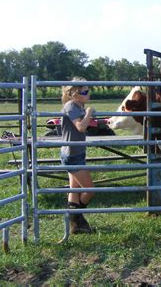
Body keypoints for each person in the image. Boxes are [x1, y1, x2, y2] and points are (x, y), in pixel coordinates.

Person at [61, 77, 96, 234]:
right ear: (75, 94)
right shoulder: (71, 106)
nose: (89, 94)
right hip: (73, 155)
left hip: (76, 152)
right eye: (85, 91)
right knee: (90, 190)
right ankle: (76, 218)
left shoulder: (78, 105)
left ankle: (76, 224)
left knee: (74, 190)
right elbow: (81, 127)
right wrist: (89, 113)